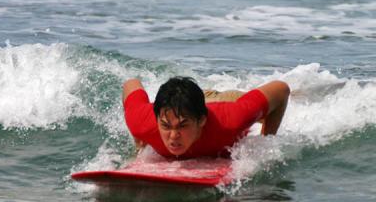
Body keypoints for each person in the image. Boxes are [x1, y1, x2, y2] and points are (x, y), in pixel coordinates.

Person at [122, 76, 290, 158]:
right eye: (166, 126)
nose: (173, 136)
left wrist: (265, 142)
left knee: (264, 114)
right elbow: (130, 83)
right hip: (180, 107)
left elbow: (281, 89)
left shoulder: (232, 120)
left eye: (182, 126)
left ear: (201, 121)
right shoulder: (141, 122)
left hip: (219, 101)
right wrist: (139, 142)